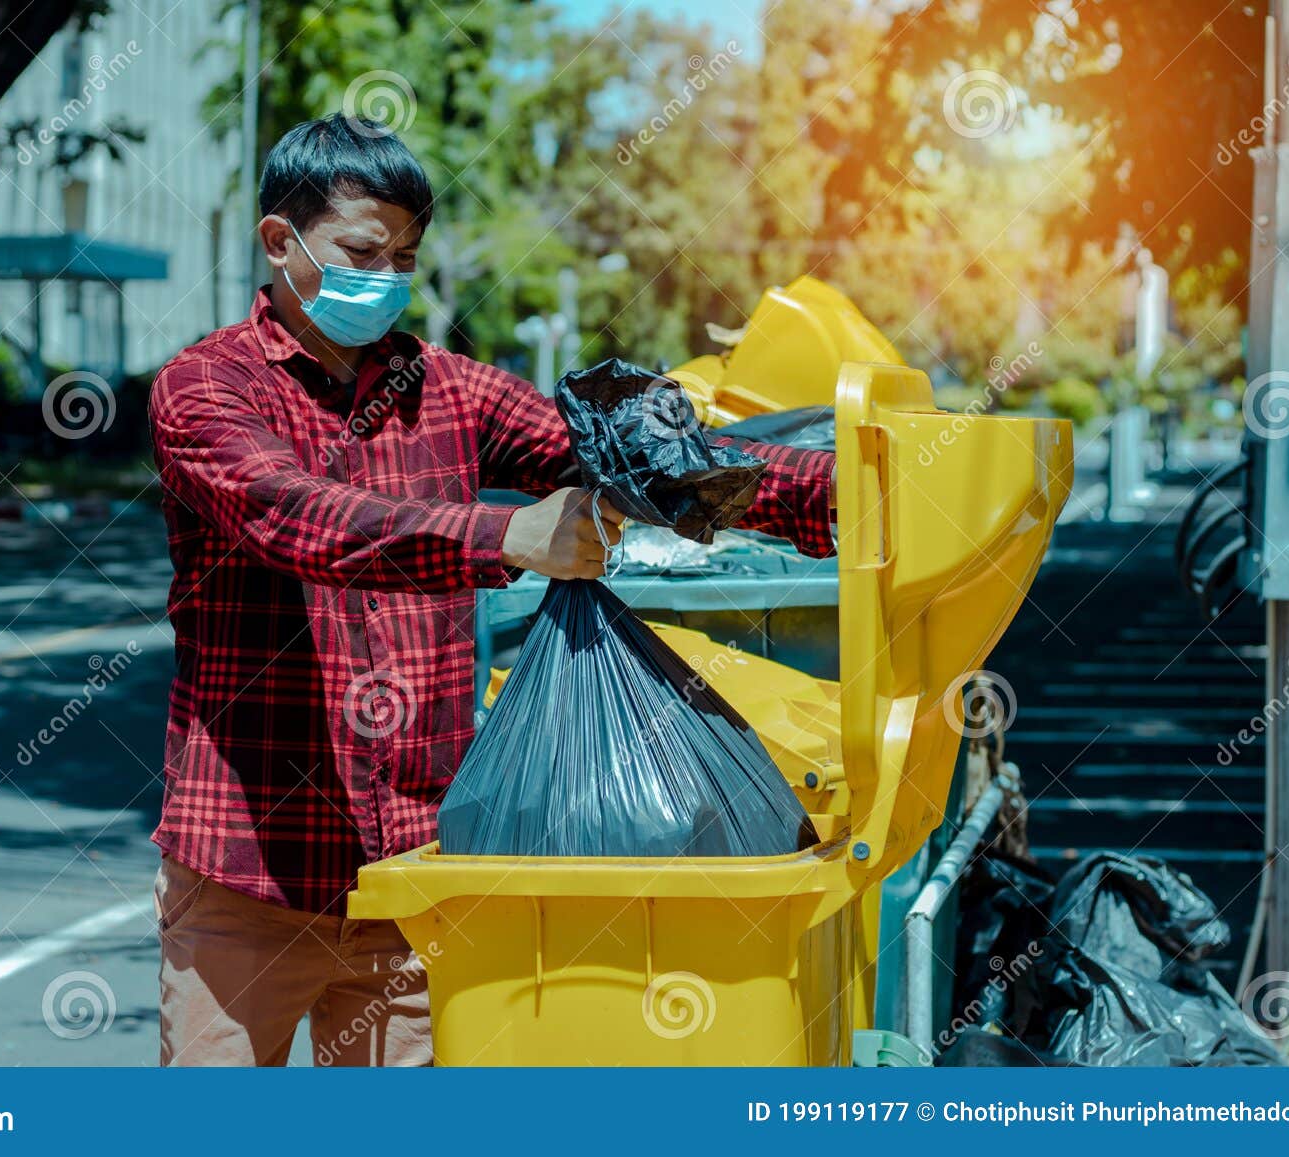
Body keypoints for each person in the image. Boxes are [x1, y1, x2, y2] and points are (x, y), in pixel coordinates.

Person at [149, 113, 837, 1066]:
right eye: (361, 250)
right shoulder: (204, 388)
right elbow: (298, 518)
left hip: (419, 874)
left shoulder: (450, 390)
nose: (385, 279)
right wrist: (508, 533)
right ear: (280, 241)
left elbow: (638, 455)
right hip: (247, 875)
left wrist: (836, 490)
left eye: (405, 257)